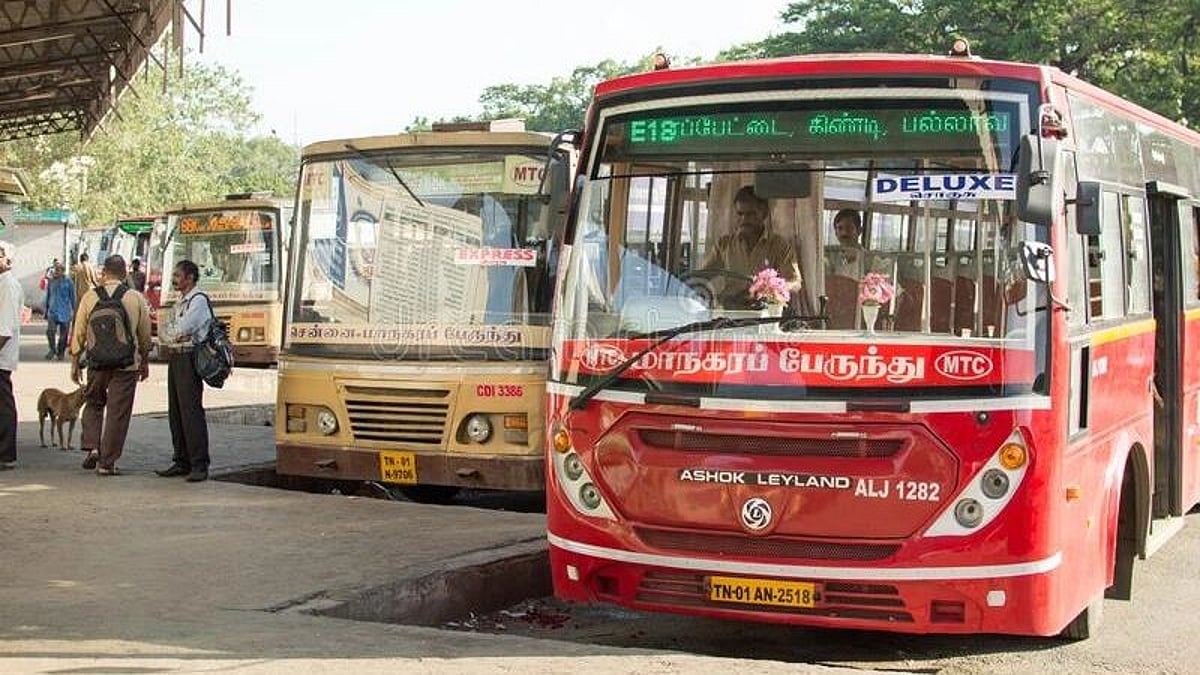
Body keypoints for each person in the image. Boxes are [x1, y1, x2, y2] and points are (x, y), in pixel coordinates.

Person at [70, 255, 152, 476]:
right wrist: (143, 361)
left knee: (94, 403)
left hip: (96, 363)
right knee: (118, 412)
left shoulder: (89, 297)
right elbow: (144, 335)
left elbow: (78, 332)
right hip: (126, 365)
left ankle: (93, 447)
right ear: (125, 274)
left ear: (103, 273)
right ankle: (107, 463)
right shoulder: (135, 298)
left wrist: (75, 362)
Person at [698, 186, 801, 309]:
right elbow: (702, 276)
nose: (744, 220)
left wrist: (774, 289)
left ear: (764, 214)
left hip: (764, 313)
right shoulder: (724, 245)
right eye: (740, 214)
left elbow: (795, 283)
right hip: (730, 314)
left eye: (750, 214)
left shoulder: (778, 245)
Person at [155, 260, 212, 483]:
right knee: (176, 412)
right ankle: (181, 460)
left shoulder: (198, 302)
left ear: (189, 278)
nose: (174, 279)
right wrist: (171, 334)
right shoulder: (181, 302)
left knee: (191, 412)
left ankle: (199, 463)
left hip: (189, 357)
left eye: (178, 275)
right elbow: (165, 330)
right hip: (177, 356)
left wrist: (172, 334)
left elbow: (179, 329)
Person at [0, 241, 23, 470]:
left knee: (3, 405)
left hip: (1, 356)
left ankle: (6, 454)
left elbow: (4, 328)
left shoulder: (7, 285)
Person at [43, 261, 75, 360]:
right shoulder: (51, 281)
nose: (56, 272)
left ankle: (61, 352)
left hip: (65, 313)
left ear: (62, 271)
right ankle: (52, 350)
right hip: (52, 312)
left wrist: (75, 311)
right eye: (55, 269)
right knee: (50, 332)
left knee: (63, 335)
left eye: (58, 270)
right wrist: (46, 311)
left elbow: (73, 297)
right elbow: (48, 296)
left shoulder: (68, 282)